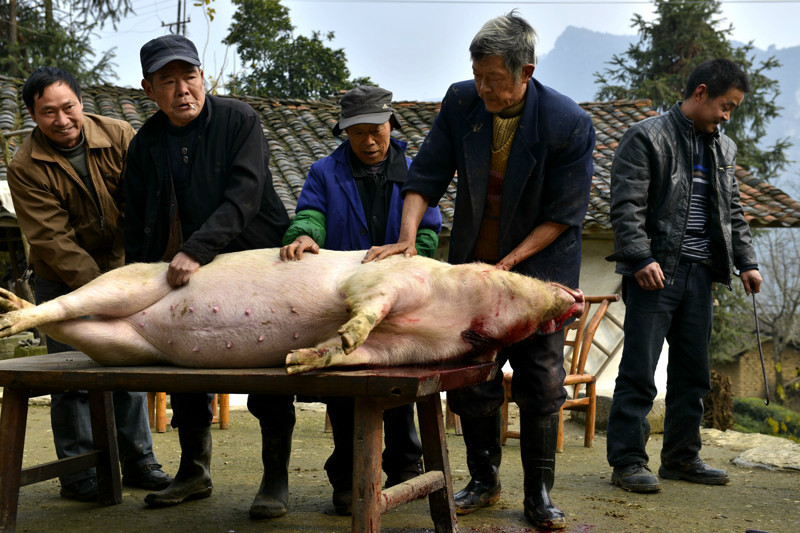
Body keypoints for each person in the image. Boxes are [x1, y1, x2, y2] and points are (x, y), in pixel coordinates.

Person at [363, 12, 595, 530]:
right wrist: (406, 237)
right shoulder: (461, 102)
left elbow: (563, 215)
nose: (483, 87)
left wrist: (509, 265)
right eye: (477, 74)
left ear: (526, 72)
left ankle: (538, 493)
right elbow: (424, 176)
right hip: (473, 267)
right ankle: (483, 479)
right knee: (473, 377)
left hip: (539, 272)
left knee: (540, 377)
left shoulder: (567, 123)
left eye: (495, 78)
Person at [123, 35, 290, 513]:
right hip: (184, 273)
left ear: (203, 77)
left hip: (255, 263)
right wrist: (139, 277)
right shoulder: (147, 143)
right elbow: (136, 219)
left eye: (190, 77)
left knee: (267, 369)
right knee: (184, 366)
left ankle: (275, 478)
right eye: (168, 81)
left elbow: (246, 195)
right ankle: (194, 471)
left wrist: (195, 249)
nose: (182, 90)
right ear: (148, 89)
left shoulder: (240, 120)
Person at [6, 66, 172, 501]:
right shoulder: (25, 164)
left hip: (124, 270)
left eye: (68, 107)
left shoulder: (119, 135)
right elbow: (52, 239)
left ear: (81, 103)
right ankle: (78, 473)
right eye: (48, 112)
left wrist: (135, 276)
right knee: (71, 376)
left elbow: (145, 202)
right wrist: (103, 292)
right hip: (59, 281)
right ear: (32, 114)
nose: (61, 120)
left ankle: (140, 462)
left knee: (126, 368)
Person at [280, 85, 442, 516]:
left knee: (399, 384)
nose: (369, 142)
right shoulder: (324, 173)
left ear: (392, 124)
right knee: (345, 384)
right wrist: (304, 235)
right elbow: (311, 212)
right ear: (344, 133)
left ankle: (406, 469)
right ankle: (349, 479)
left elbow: (428, 228)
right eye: (358, 134)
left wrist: (412, 256)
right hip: (344, 296)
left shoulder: (413, 170)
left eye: (377, 131)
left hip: (399, 295)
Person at [605, 58, 762, 493]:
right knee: (639, 370)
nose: (727, 116)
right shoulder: (646, 137)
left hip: (700, 274)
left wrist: (746, 262)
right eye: (725, 106)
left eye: (733, 109)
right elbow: (626, 206)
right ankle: (629, 461)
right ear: (700, 93)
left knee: (693, 373)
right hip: (655, 274)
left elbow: (733, 212)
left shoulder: (723, 149)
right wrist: (640, 258)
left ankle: (681, 457)